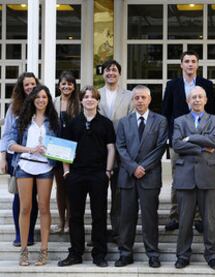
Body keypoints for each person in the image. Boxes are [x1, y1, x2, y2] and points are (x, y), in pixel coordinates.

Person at [58, 86, 115, 267]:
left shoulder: (106, 123)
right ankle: (76, 253)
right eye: (86, 97)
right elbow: (65, 149)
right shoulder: (73, 123)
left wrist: (107, 171)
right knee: (75, 215)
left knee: (99, 215)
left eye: (93, 97)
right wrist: (66, 171)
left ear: (98, 101)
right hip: (76, 175)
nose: (90, 99)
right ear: (81, 100)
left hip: (99, 174)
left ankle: (99, 254)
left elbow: (111, 148)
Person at [115, 85, 167, 268]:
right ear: (132, 100)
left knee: (150, 217)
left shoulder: (160, 121)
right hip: (128, 176)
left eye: (143, 97)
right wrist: (133, 167)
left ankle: (152, 254)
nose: (140, 101)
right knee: (126, 217)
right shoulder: (123, 122)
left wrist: (142, 167)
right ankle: (125, 253)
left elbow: (160, 147)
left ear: (149, 99)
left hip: (149, 176)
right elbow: (120, 147)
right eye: (136, 97)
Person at [162, 51, 214, 233]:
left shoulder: (207, 85)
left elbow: (212, 113)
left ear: (198, 64)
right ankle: (175, 216)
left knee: (200, 177)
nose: (190, 64)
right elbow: (166, 113)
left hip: (202, 141)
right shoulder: (172, 85)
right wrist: (171, 138)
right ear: (181, 64)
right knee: (178, 179)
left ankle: (199, 217)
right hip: (178, 141)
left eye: (193, 61)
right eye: (187, 61)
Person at [8, 85, 60, 266]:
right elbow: (11, 144)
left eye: (44, 97)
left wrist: (51, 151)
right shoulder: (22, 119)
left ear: (48, 99)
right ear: (32, 99)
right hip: (24, 166)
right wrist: (30, 149)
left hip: (45, 168)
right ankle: (24, 251)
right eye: (37, 97)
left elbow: (59, 147)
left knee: (44, 208)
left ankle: (43, 251)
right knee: (25, 208)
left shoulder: (53, 120)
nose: (41, 100)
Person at [172, 86, 215, 270]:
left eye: (200, 97)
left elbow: (214, 142)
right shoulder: (179, 121)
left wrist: (189, 138)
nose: (197, 100)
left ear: (206, 100)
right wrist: (201, 147)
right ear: (188, 101)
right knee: (184, 219)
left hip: (208, 175)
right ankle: (183, 255)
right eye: (193, 97)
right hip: (185, 175)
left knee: (209, 219)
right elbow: (177, 144)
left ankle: (211, 254)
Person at [0, 72, 39, 247]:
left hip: (39, 160)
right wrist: (2, 158)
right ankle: (19, 235)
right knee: (19, 197)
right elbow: (7, 135)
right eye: (26, 85)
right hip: (18, 159)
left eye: (32, 84)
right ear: (21, 88)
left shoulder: (42, 104)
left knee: (34, 197)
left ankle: (29, 233)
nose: (30, 87)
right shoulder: (14, 108)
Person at [98, 59, 132, 243]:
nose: (111, 73)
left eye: (114, 70)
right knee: (99, 195)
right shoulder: (96, 94)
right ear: (103, 74)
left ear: (119, 74)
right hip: (99, 152)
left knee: (118, 195)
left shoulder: (129, 95)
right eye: (107, 70)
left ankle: (118, 232)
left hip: (121, 151)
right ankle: (100, 232)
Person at [51, 71, 80, 234]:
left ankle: (70, 221)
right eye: (63, 83)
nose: (66, 86)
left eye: (69, 83)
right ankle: (61, 221)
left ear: (74, 86)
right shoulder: (53, 102)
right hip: (57, 148)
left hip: (74, 149)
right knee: (61, 187)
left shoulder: (79, 103)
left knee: (72, 187)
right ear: (59, 85)